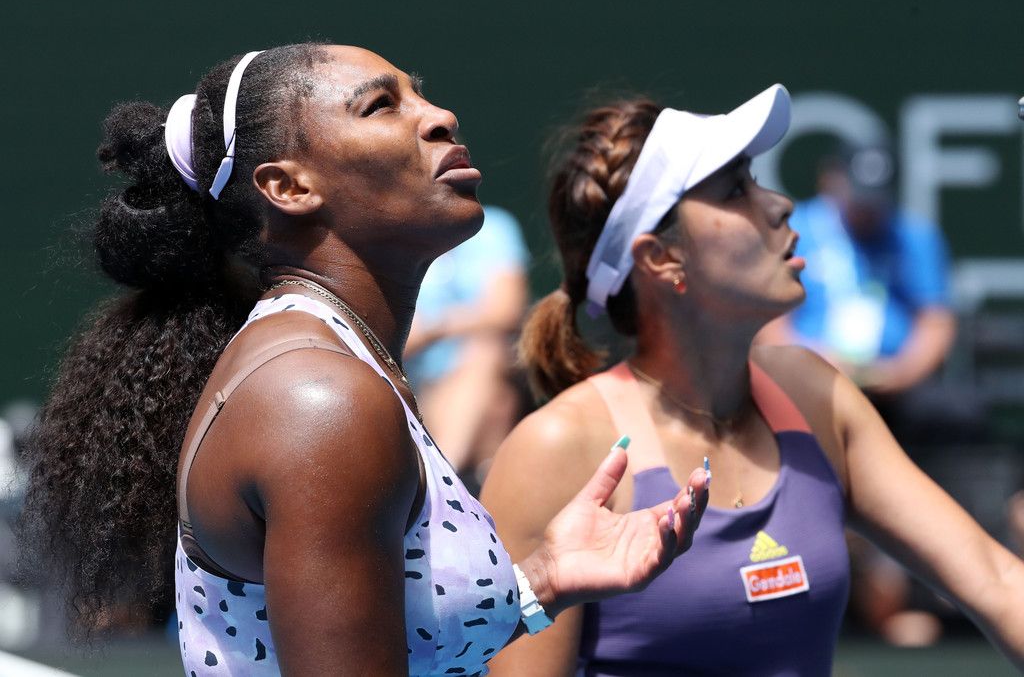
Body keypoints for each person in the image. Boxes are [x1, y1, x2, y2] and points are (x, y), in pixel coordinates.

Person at [19, 44, 711, 676]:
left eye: (420, 93)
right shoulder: (320, 398)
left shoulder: (333, 371)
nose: (440, 116)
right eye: (381, 105)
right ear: (289, 187)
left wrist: (544, 578)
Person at [480, 87, 1024, 676]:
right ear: (661, 257)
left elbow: (995, 579)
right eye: (736, 189)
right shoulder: (555, 449)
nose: (781, 204)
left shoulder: (815, 395)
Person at [758, 143, 956, 402]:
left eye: (874, 201)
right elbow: (769, 320)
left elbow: (936, 322)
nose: (865, 210)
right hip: (806, 378)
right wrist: (812, 361)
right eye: (857, 199)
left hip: (895, 387)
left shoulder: (914, 236)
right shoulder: (793, 231)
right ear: (831, 182)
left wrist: (900, 373)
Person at [404, 205, 530, 478]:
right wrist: (471, 318)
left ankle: (444, 475)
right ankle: (473, 482)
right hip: (420, 388)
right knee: (497, 405)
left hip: (491, 368)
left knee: (484, 351)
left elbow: (505, 311)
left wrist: (434, 328)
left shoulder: (494, 228)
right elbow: (399, 340)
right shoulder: (397, 237)